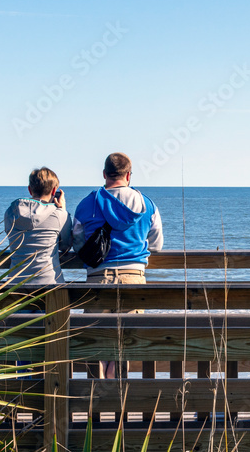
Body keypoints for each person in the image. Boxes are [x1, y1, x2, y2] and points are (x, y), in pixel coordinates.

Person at [72, 152, 162, 382]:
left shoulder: (87, 203)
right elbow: (157, 245)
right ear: (129, 175)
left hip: (98, 279)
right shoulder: (146, 203)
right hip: (133, 278)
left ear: (104, 174)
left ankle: (96, 403)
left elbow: (78, 242)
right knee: (125, 342)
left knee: (96, 340)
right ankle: (119, 404)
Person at [3, 166, 72, 285]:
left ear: (30, 190)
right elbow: (65, 246)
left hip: (15, 283)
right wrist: (63, 210)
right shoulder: (59, 215)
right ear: (54, 191)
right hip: (49, 283)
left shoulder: (11, 213)